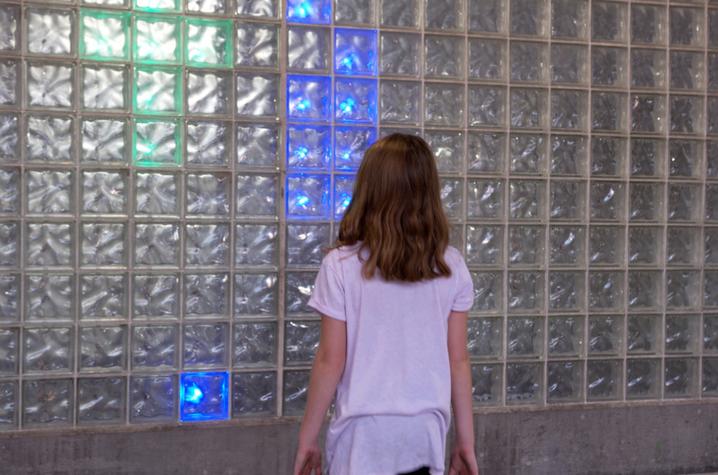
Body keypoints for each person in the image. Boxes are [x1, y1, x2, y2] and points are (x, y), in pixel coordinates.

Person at [292, 133, 479, 475]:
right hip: (425, 436)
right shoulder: (450, 266)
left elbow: (331, 360)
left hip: (359, 440)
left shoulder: (340, 266)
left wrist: (308, 439)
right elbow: (458, 360)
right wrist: (465, 443)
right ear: (428, 193)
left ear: (368, 190)